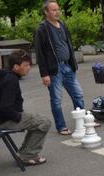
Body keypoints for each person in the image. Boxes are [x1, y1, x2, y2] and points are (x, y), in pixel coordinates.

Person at [0, 49, 51, 166]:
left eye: (29, 64)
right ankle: (27, 155)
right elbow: (5, 106)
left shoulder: (5, 75)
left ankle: (25, 152)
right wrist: (17, 116)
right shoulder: (11, 80)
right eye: (26, 65)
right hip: (5, 121)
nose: (29, 68)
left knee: (38, 119)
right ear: (16, 67)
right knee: (45, 122)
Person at [35, 0, 85, 135]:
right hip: (54, 69)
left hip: (67, 66)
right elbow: (40, 53)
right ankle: (61, 126)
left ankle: (83, 121)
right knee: (56, 99)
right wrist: (44, 74)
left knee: (78, 95)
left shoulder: (62, 24)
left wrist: (73, 63)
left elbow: (68, 44)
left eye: (58, 9)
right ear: (46, 12)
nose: (57, 12)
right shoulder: (42, 29)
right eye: (53, 10)